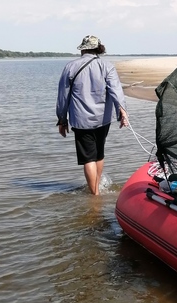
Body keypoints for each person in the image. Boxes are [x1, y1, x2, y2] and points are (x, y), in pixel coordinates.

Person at [56, 35, 130, 195]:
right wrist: (122, 110)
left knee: (88, 158)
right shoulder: (107, 66)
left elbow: (63, 96)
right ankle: (96, 187)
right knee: (99, 153)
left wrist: (62, 120)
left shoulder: (71, 67)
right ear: (98, 48)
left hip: (82, 120)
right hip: (103, 118)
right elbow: (116, 90)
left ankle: (94, 195)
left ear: (82, 49)